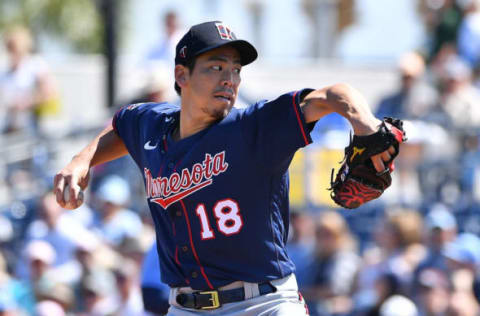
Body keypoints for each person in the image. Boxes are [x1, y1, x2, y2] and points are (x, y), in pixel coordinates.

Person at [54, 20, 397, 315]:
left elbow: (333, 95)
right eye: (216, 67)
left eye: (235, 70)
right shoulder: (151, 125)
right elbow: (121, 127)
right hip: (185, 306)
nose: (229, 79)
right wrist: (80, 161)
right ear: (181, 75)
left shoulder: (253, 127)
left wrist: (365, 123)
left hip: (263, 303)